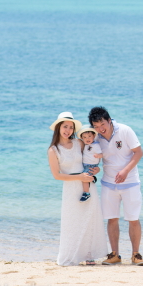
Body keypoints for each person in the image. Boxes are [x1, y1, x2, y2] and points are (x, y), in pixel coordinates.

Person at [47, 111, 108, 266]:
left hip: (87, 185)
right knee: (72, 221)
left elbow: (90, 159)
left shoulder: (79, 143)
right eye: (65, 126)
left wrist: (96, 169)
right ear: (58, 127)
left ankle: (89, 255)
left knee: (90, 219)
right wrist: (79, 177)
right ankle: (71, 255)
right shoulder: (53, 150)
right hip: (71, 188)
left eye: (71, 127)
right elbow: (57, 175)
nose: (68, 130)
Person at [89, 106, 143, 266]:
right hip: (108, 183)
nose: (100, 129)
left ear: (109, 120)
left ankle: (136, 255)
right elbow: (90, 153)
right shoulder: (96, 136)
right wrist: (94, 168)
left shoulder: (125, 130)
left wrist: (125, 171)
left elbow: (139, 152)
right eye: (96, 126)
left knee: (133, 219)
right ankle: (114, 255)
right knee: (112, 219)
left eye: (102, 124)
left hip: (130, 182)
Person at [76, 126, 103, 203]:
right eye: (84, 137)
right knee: (85, 177)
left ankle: (86, 193)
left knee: (85, 178)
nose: (87, 138)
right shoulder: (86, 145)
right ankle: (91, 181)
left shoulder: (95, 145)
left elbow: (102, 154)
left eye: (89, 136)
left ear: (94, 136)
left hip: (91, 165)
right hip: (85, 164)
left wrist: (98, 156)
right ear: (82, 138)